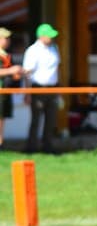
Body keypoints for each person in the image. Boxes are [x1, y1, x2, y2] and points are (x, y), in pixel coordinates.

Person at [22, 23, 61, 154]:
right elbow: (27, 73)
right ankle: (32, 147)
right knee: (36, 119)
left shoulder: (55, 48)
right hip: (37, 88)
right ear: (42, 36)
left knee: (51, 119)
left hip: (53, 88)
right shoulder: (33, 50)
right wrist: (27, 93)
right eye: (49, 36)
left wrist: (58, 88)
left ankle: (48, 146)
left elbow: (57, 69)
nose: (51, 38)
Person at [0, 27, 24, 146]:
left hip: (5, 92)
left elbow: (10, 73)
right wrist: (11, 71)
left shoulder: (7, 56)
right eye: (5, 38)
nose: (8, 41)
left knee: (2, 120)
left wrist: (17, 74)